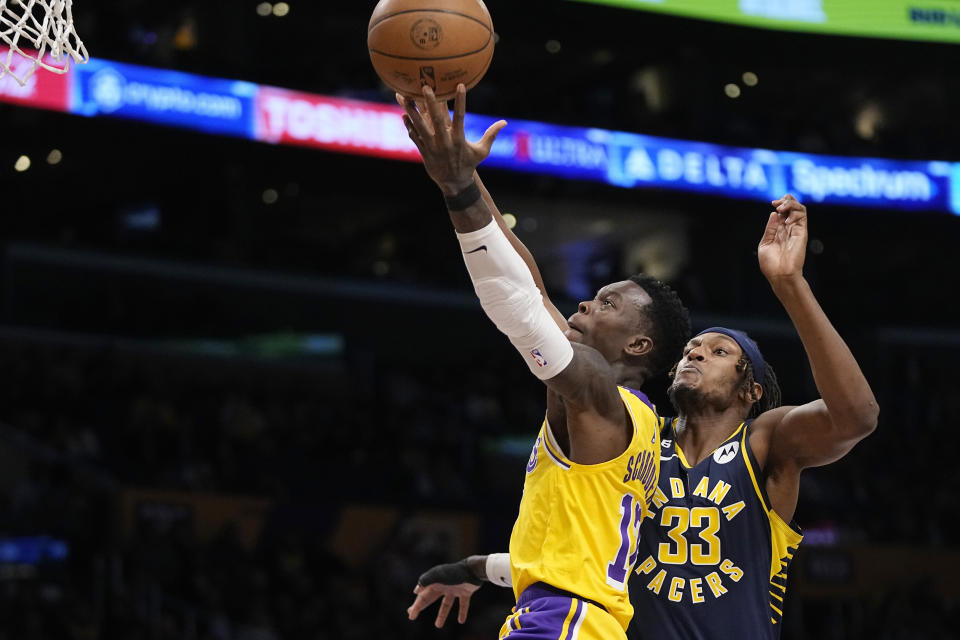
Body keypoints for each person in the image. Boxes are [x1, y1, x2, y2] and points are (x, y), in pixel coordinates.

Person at [407, 193, 879, 639]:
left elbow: (856, 415)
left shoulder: (764, 442)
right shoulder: (638, 440)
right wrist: (477, 568)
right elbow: (589, 559)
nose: (696, 353)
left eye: (718, 351)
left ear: (751, 389)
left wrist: (789, 284)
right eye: (692, 347)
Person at [397, 83, 691, 640]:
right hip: (582, 621)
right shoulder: (635, 419)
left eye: (608, 304)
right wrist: (457, 173)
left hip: (564, 626)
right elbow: (530, 284)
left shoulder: (597, 394)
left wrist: (457, 185)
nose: (584, 304)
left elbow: (517, 305)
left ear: (638, 346)